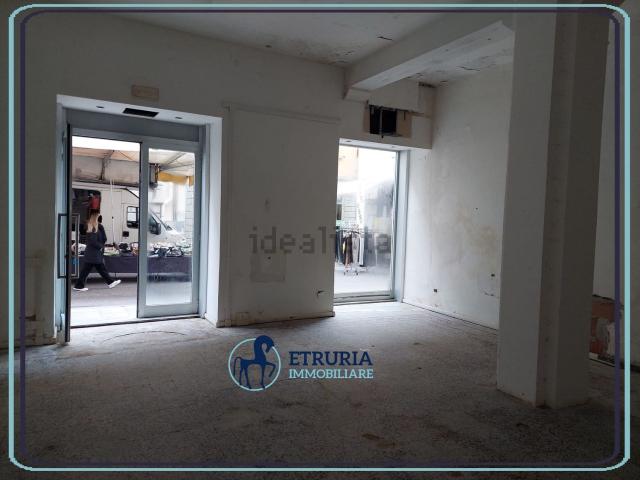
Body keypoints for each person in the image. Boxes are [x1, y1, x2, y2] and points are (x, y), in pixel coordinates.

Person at [73, 212, 121, 292]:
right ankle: (110, 282)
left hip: (94, 253)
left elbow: (104, 239)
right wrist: (100, 247)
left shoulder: (97, 228)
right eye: (99, 218)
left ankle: (110, 282)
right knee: (96, 269)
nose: (100, 220)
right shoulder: (92, 228)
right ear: (96, 219)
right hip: (93, 253)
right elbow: (93, 241)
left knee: (94, 269)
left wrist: (102, 228)